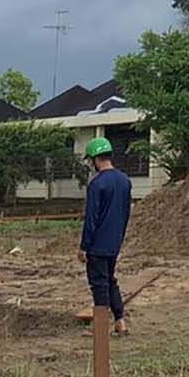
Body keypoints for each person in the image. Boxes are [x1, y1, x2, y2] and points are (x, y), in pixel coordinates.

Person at [78, 135, 132, 337]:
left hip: (97, 246)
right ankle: (120, 322)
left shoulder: (97, 184)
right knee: (110, 281)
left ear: (94, 159)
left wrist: (84, 246)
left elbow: (91, 219)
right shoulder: (125, 181)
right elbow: (126, 214)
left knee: (99, 285)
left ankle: (101, 331)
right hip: (114, 242)